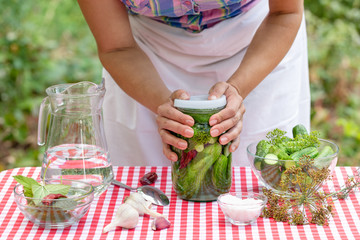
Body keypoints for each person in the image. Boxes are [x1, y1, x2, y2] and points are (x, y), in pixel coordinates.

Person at [77, 0, 310, 166]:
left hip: (257, 41)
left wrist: (239, 87)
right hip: (141, 54)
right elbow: (117, 47)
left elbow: (285, 13)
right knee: (144, 192)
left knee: (260, 180)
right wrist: (161, 104)